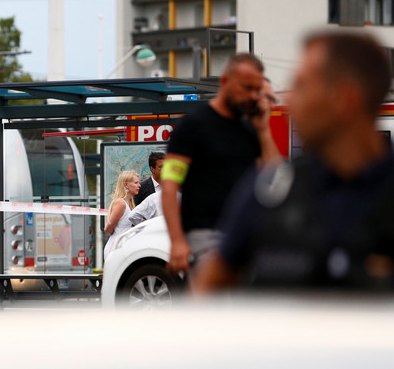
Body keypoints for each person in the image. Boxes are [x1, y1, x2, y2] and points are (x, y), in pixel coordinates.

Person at [192, 31, 394, 293]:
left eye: (301, 85)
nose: (288, 99)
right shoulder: (271, 192)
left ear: (346, 100)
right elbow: (208, 287)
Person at [161, 53, 280, 274]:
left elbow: (275, 179)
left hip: (244, 236)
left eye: (257, 90)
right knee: (218, 305)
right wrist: (177, 242)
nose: (253, 96)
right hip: (206, 235)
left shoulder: (249, 130)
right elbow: (169, 186)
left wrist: (263, 130)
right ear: (225, 82)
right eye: (247, 88)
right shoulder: (193, 126)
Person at [104, 171, 141, 259]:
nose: (139, 185)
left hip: (123, 246)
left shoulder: (129, 204)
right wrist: (117, 234)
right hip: (116, 247)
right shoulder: (121, 204)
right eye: (136, 183)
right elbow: (108, 227)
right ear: (126, 185)